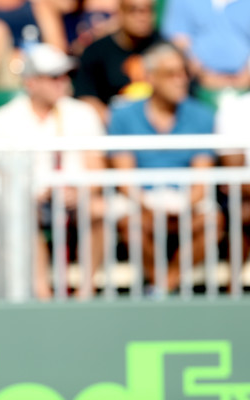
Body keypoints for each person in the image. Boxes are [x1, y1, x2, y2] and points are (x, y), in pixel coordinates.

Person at [0, 43, 107, 299]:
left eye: (65, 75)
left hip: (75, 199)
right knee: (25, 210)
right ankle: (42, 293)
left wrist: (78, 191)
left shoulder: (83, 114)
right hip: (30, 201)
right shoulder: (4, 119)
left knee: (98, 209)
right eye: (53, 77)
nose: (62, 82)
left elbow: (97, 169)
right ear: (31, 82)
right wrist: (35, 192)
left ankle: (85, 292)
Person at [107, 42, 224, 293]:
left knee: (212, 222)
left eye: (183, 72)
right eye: (171, 74)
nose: (181, 80)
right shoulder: (123, 115)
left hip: (186, 200)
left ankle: (163, 287)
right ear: (150, 77)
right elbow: (125, 180)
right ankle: (165, 286)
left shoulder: (202, 115)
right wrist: (151, 205)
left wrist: (182, 205)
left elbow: (201, 181)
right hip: (141, 200)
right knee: (133, 225)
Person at [73, 0, 162, 124]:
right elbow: (86, 96)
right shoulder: (96, 52)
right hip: (111, 129)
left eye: (148, 10)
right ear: (120, 13)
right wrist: (117, 123)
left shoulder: (165, 50)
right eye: (134, 10)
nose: (143, 17)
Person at [160, 0, 250, 109]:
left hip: (245, 88)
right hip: (196, 89)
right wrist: (202, 73)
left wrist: (246, 75)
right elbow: (178, 39)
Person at [215, 91, 250, 274]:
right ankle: (233, 288)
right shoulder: (234, 110)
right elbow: (234, 174)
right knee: (242, 211)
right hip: (243, 196)